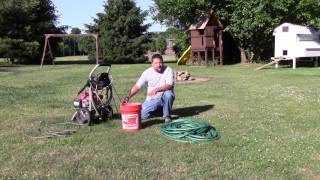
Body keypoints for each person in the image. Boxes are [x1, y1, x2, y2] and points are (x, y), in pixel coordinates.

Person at [122, 54, 175, 123]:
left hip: (163, 97)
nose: (159, 65)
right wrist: (128, 97)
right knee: (141, 115)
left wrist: (157, 89)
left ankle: (167, 116)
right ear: (152, 64)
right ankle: (159, 111)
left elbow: (169, 85)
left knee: (169, 94)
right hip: (152, 99)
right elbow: (137, 86)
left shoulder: (168, 70)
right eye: (156, 63)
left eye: (160, 62)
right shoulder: (147, 72)